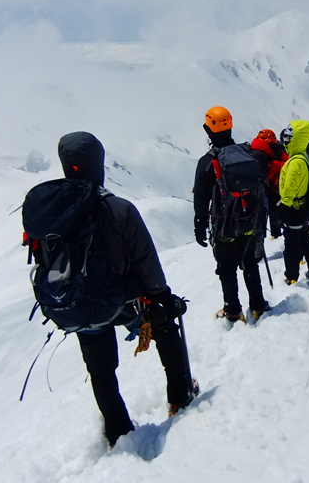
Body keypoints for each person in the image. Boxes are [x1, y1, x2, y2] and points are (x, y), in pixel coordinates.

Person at [55, 132, 196, 447]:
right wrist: (162, 297)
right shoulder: (118, 209)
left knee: (101, 371)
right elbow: (145, 259)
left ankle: (118, 431)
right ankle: (180, 396)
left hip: (79, 304)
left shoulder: (49, 212)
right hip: (126, 298)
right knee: (165, 331)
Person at [193, 106, 270, 323]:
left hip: (224, 226)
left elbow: (201, 197)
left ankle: (233, 310)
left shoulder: (207, 162)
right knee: (250, 264)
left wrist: (200, 225)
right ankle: (258, 305)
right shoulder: (248, 154)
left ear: (209, 130)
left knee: (226, 269)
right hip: (250, 222)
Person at [278, 121, 309, 285]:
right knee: (303, 239)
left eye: (288, 137)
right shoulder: (302, 158)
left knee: (291, 244)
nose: (285, 141)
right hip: (301, 207)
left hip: (293, 209)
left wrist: (283, 206)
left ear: (296, 139)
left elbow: (289, 188)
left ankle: (291, 276)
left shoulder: (295, 162)